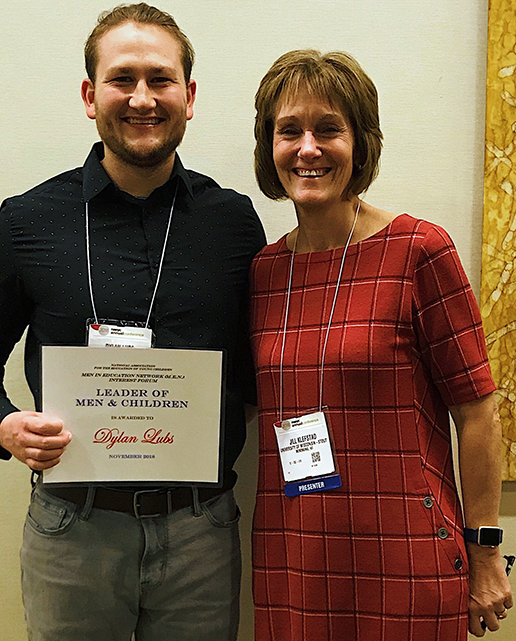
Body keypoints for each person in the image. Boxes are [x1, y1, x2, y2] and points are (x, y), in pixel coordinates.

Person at [0, 4, 265, 640]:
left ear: (189, 96)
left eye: (161, 79)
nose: (142, 98)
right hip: (72, 534)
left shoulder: (233, 224)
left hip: (200, 531)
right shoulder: (25, 222)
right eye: (123, 79)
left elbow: (258, 361)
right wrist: (2, 424)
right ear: (91, 96)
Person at [249, 49, 512, 641]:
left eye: (329, 129)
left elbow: (478, 413)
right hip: (296, 558)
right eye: (289, 130)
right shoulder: (264, 272)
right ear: (269, 146)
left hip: (405, 556)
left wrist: (487, 550)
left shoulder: (419, 250)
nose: (308, 148)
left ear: (361, 142)